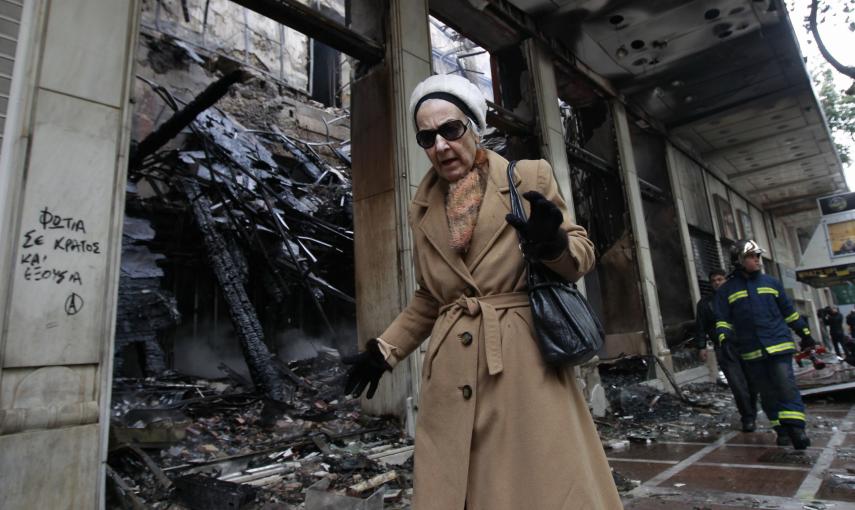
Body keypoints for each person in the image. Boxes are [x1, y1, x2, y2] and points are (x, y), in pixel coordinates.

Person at [342, 74, 621, 509]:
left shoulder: (527, 177)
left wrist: (552, 246)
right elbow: (432, 298)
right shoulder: (423, 209)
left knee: (537, 485)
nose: (440, 146)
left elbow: (580, 256)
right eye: (427, 137)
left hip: (523, 367)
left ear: (475, 126)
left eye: (450, 130)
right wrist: (384, 350)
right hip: (451, 374)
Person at [714, 240, 815, 450]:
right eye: (752, 257)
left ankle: (797, 429)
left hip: (778, 345)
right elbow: (722, 319)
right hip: (751, 351)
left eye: (758, 256)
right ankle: (781, 430)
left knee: (785, 385)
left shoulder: (772, 283)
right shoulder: (727, 290)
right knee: (767, 393)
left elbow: (789, 312)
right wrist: (723, 339)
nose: (757, 260)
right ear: (739, 260)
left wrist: (805, 333)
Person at [694, 269, 757, 432]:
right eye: (714, 280)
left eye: (720, 279)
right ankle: (747, 417)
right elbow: (700, 327)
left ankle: (752, 411)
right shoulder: (705, 304)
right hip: (724, 348)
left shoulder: (736, 297)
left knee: (751, 381)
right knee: (737, 384)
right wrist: (701, 347)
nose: (717, 283)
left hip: (745, 344)